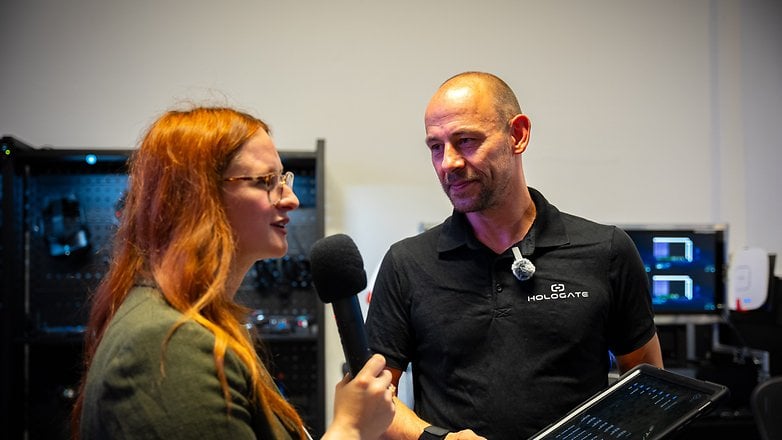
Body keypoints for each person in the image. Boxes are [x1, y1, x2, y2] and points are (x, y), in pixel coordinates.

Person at [365, 72, 663, 440]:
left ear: (517, 135)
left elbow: (648, 388)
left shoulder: (606, 251)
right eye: (436, 147)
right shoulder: (407, 264)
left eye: (466, 141)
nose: (449, 163)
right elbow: (372, 402)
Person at [72, 106, 395, 440]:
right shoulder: (167, 344)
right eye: (266, 181)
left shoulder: (196, 324)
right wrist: (350, 429)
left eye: (282, 179)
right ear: (198, 195)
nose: (292, 200)